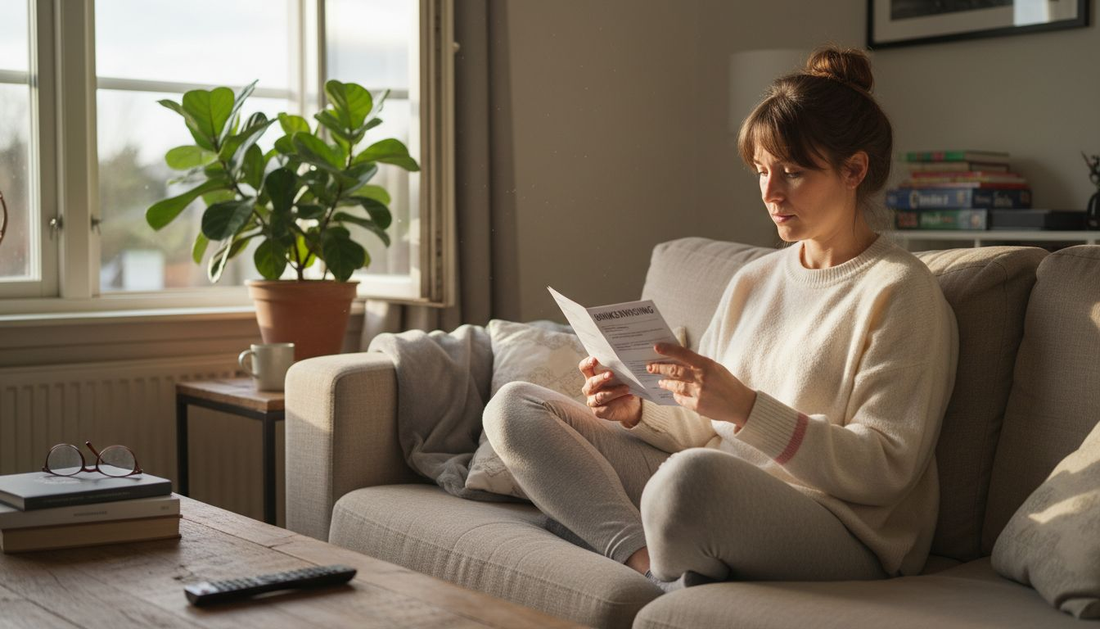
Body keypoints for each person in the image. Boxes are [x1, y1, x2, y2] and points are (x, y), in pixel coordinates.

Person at [482, 45, 958, 592]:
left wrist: (747, 409)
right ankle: (644, 563)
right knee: (517, 407)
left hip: (841, 526)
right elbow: (700, 426)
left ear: (854, 170)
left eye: (793, 173)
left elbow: (885, 468)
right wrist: (637, 409)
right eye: (761, 171)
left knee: (687, 480)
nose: (771, 193)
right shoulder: (755, 279)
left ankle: (650, 550)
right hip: (715, 486)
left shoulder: (900, 291)